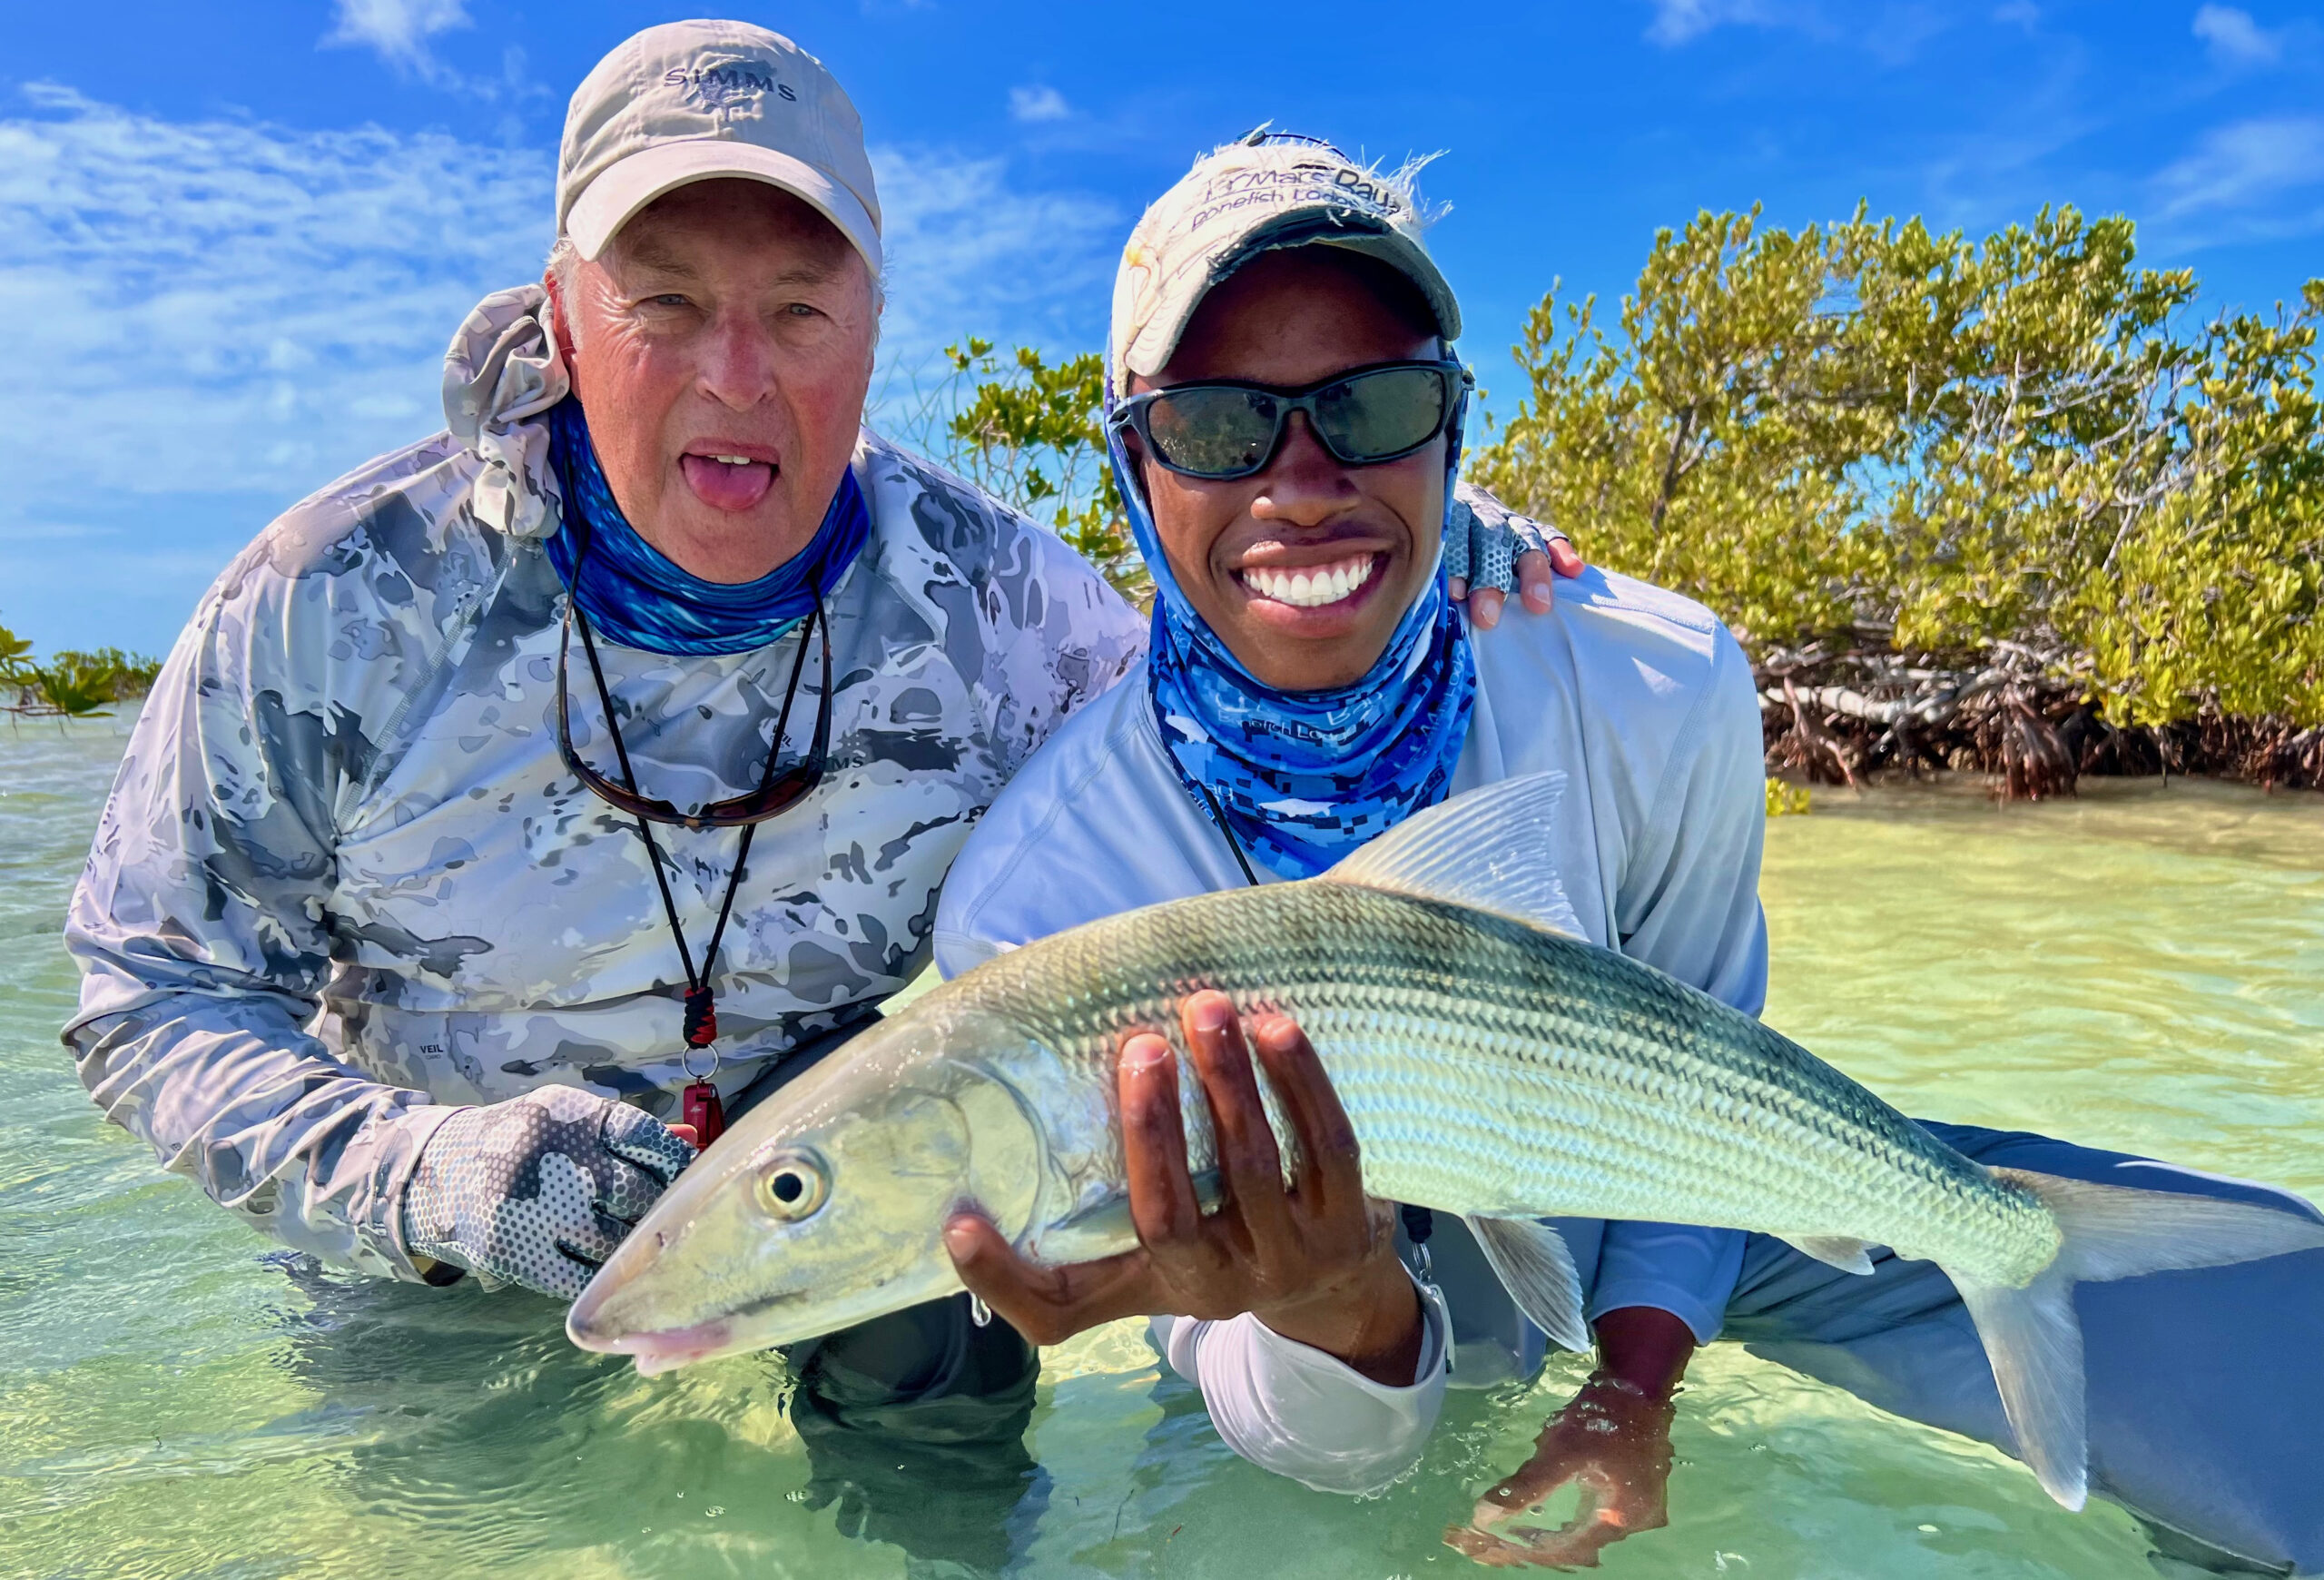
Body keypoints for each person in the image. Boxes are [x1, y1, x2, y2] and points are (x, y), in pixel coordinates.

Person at [58, 21, 1557, 1535]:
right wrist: (418, 1174)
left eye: (798, 308)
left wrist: (1394, 550)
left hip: (860, 1208)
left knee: (953, 1425)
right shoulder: (336, 598)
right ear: (561, 320)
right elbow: (139, 990)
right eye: (665, 304)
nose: (738, 377)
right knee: (466, 1530)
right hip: (435, 1242)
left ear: (874, 320)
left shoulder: (999, 609)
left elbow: (1208, 695)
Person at [932, 133, 2324, 1574]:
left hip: (1635, 1160)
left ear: (1453, 433)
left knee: (2282, 1296)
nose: (1302, 479)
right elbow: (1280, 1409)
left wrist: (1632, 1385)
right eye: (1221, 425)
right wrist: (1329, 1310)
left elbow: (1706, 1061)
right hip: (1277, 1315)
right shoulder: (1037, 895)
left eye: (1376, 405)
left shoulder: (1654, 676)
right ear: (1131, 466)